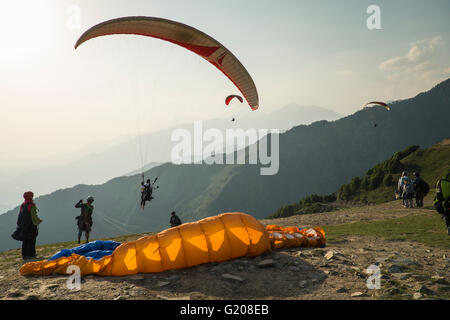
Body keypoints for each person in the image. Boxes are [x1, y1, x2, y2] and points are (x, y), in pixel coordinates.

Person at [12, 191, 42, 260]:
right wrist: (39, 221)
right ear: (31, 197)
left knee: (25, 240)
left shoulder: (23, 205)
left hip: (23, 226)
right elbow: (34, 217)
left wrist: (19, 225)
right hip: (31, 226)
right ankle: (31, 255)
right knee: (32, 240)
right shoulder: (32, 205)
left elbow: (19, 216)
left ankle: (24, 255)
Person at [433, 171, 450, 235]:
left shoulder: (439, 182)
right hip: (446, 203)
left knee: (446, 215)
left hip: (442, 204)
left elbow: (437, 195)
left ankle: (448, 227)